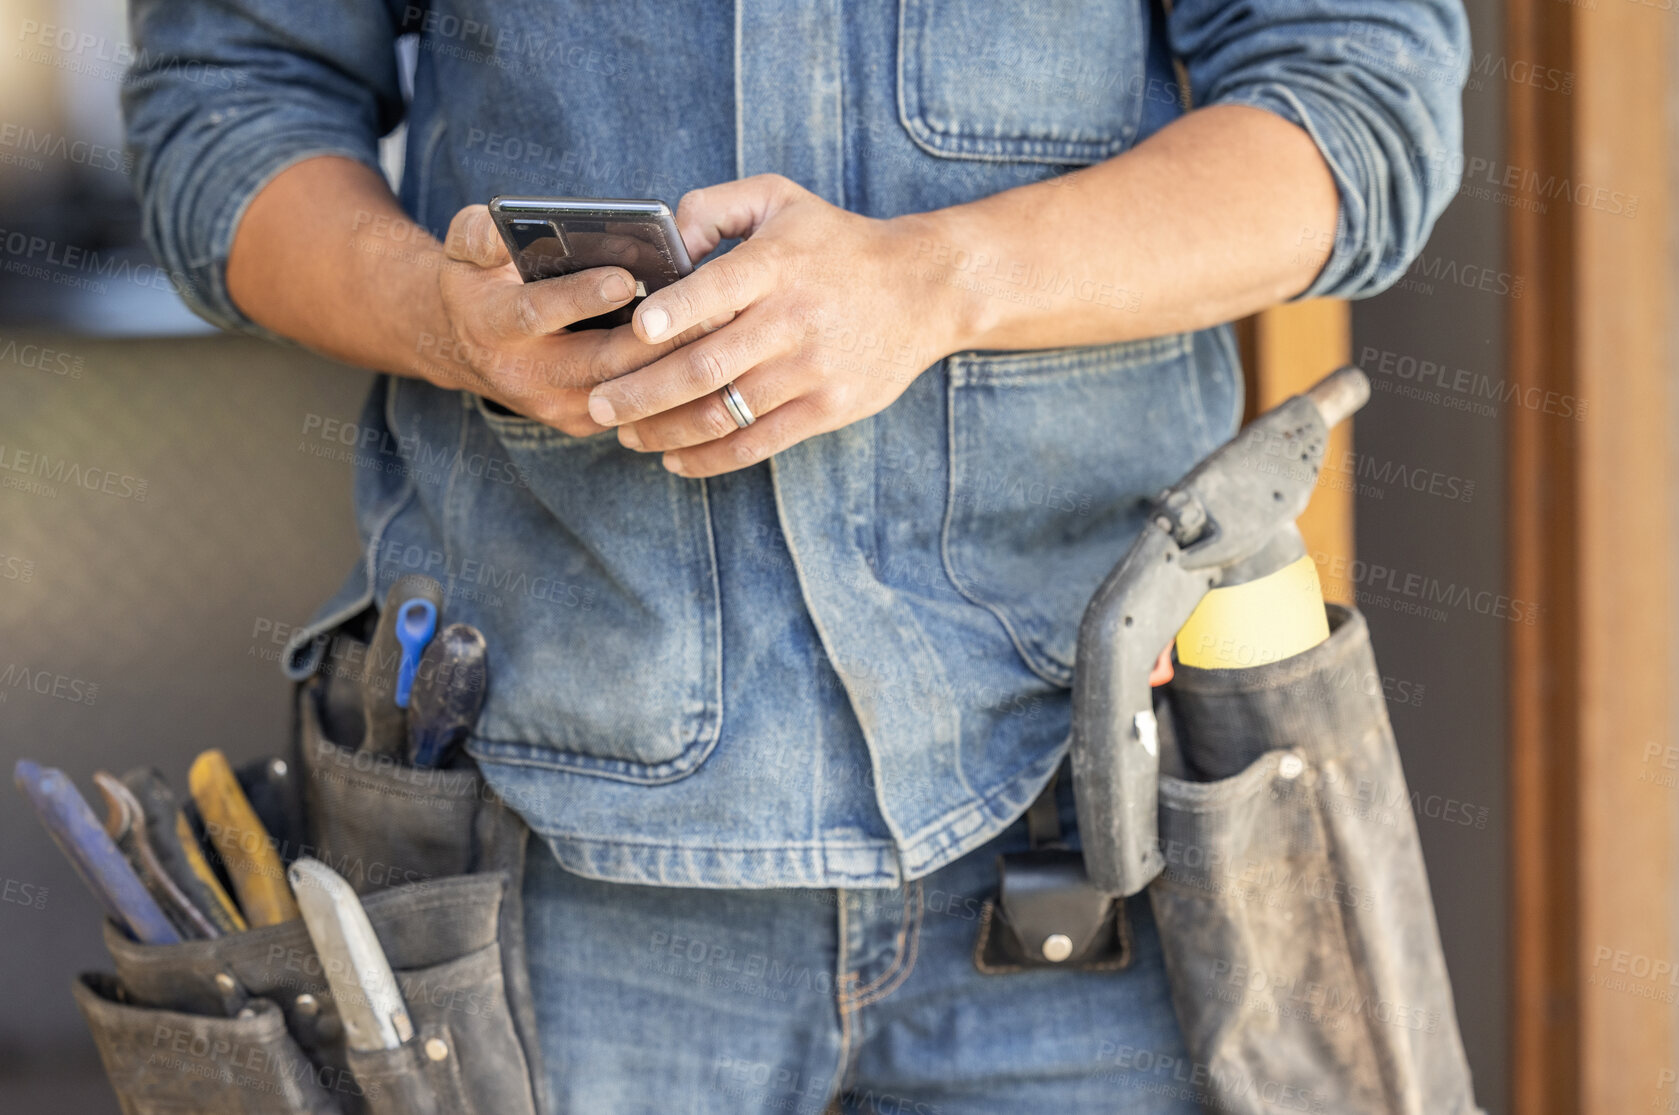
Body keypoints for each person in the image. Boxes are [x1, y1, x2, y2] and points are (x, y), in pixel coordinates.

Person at [124, 1, 1466, 1110]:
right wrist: (435, 313)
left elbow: (1362, 102)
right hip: (538, 862)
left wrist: (941, 280)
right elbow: (227, 105)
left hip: (1099, 830)